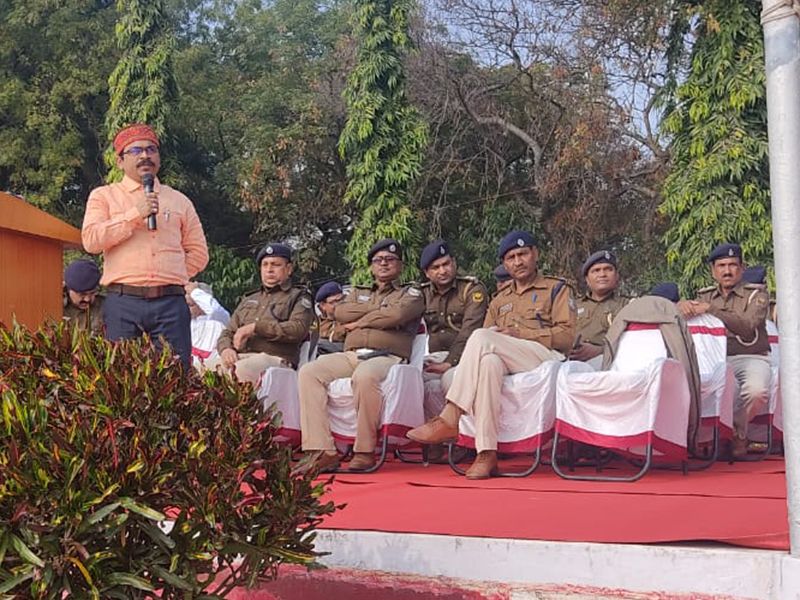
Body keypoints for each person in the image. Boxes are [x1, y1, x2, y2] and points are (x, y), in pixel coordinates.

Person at [406, 230, 576, 479]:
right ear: (504, 264)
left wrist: (520, 334)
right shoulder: (499, 299)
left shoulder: (556, 289)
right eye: (511, 258)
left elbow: (567, 337)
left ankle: (450, 416)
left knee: (482, 338)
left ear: (535, 254)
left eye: (522, 254)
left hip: (546, 357)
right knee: (488, 362)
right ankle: (486, 452)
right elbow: (485, 341)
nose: (518, 261)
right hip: (508, 359)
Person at [81, 123, 209, 369]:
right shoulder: (104, 196)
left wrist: (169, 276)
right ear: (120, 161)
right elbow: (91, 240)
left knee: (174, 378)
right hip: (123, 302)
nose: (145, 156)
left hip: (171, 304)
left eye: (151, 149)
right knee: (122, 379)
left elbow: (199, 252)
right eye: (135, 151)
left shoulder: (179, 200)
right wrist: (134, 215)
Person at [296, 239, 425, 473]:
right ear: (372, 266)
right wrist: (380, 310)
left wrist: (361, 320)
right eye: (378, 260)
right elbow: (340, 312)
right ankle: (322, 451)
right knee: (309, 372)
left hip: (387, 356)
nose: (384, 263)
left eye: (390, 259)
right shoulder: (358, 292)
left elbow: (398, 315)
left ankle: (364, 450)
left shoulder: (411, 293)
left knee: (364, 377)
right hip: (351, 355)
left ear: (400, 265)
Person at [677, 243, 770, 458]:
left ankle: (736, 433)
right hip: (715, 360)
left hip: (749, 356)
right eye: (721, 266)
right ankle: (699, 438)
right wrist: (680, 306)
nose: (727, 271)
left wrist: (712, 310)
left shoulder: (756, 295)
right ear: (713, 270)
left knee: (756, 392)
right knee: (691, 387)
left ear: (742, 268)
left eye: (732, 265)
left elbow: (747, 327)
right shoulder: (704, 295)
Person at [604, 284, 702, 454]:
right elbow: (687, 363)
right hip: (664, 398)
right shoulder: (674, 320)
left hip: (620, 390)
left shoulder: (628, 315)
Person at [209, 243, 314, 384]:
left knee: (241, 370)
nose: (269, 270)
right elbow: (228, 332)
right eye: (265, 265)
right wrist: (226, 349)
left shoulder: (298, 296)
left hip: (276, 359)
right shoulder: (249, 299)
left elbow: (298, 329)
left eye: (276, 265)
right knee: (201, 370)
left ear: (288, 269)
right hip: (242, 356)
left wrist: (256, 328)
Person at [419, 240, 488, 419]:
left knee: (451, 380)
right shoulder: (421, 294)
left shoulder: (471, 289)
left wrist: (449, 362)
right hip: (434, 357)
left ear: (454, 263)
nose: (443, 271)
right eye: (436, 267)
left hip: (465, 357)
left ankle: (458, 433)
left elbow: (470, 331)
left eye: (446, 264)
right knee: (409, 381)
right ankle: (424, 433)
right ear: (427, 273)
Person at [569, 250, 628, 368]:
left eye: (608, 269)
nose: (602, 274)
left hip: (608, 361)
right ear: (587, 279)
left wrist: (600, 350)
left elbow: (633, 342)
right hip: (569, 360)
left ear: (616, 276)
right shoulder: (572, 306)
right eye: (596, 270)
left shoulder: (627, 306)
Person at [185, 282, 230, 369]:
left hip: (214, 372)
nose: (186, 308)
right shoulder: (186, 322)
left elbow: (214, 310)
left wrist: (194, 291)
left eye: (190, 305)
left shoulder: (219, 319)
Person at [62, 259, 105, 335]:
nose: (87, 299)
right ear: (69, 290)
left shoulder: (105, 306)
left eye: (92, 293)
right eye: (82, 294)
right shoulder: (57, 306)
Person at [314, 280, 346, 355]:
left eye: (342, 300)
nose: (339, 304)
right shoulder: (316, 323)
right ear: (322, 305)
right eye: (334, 302)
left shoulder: (351, 320)